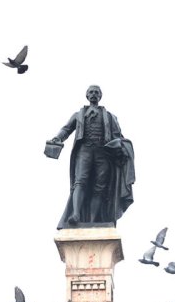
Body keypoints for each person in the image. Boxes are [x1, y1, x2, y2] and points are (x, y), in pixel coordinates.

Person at [47, 84, 135, 229]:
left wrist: (120, 146)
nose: (94, 94)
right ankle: (75, 214)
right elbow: (66, 129)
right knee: (80, 181)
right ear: (87, 96)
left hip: (103, 153)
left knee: (99, 187)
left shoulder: (110, 117)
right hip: (84, 151)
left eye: (96, 92)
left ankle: (93, 219)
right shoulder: (78, 115)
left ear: (100, 96)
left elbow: (117, 135)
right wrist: (58, 138)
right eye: (91, 92)